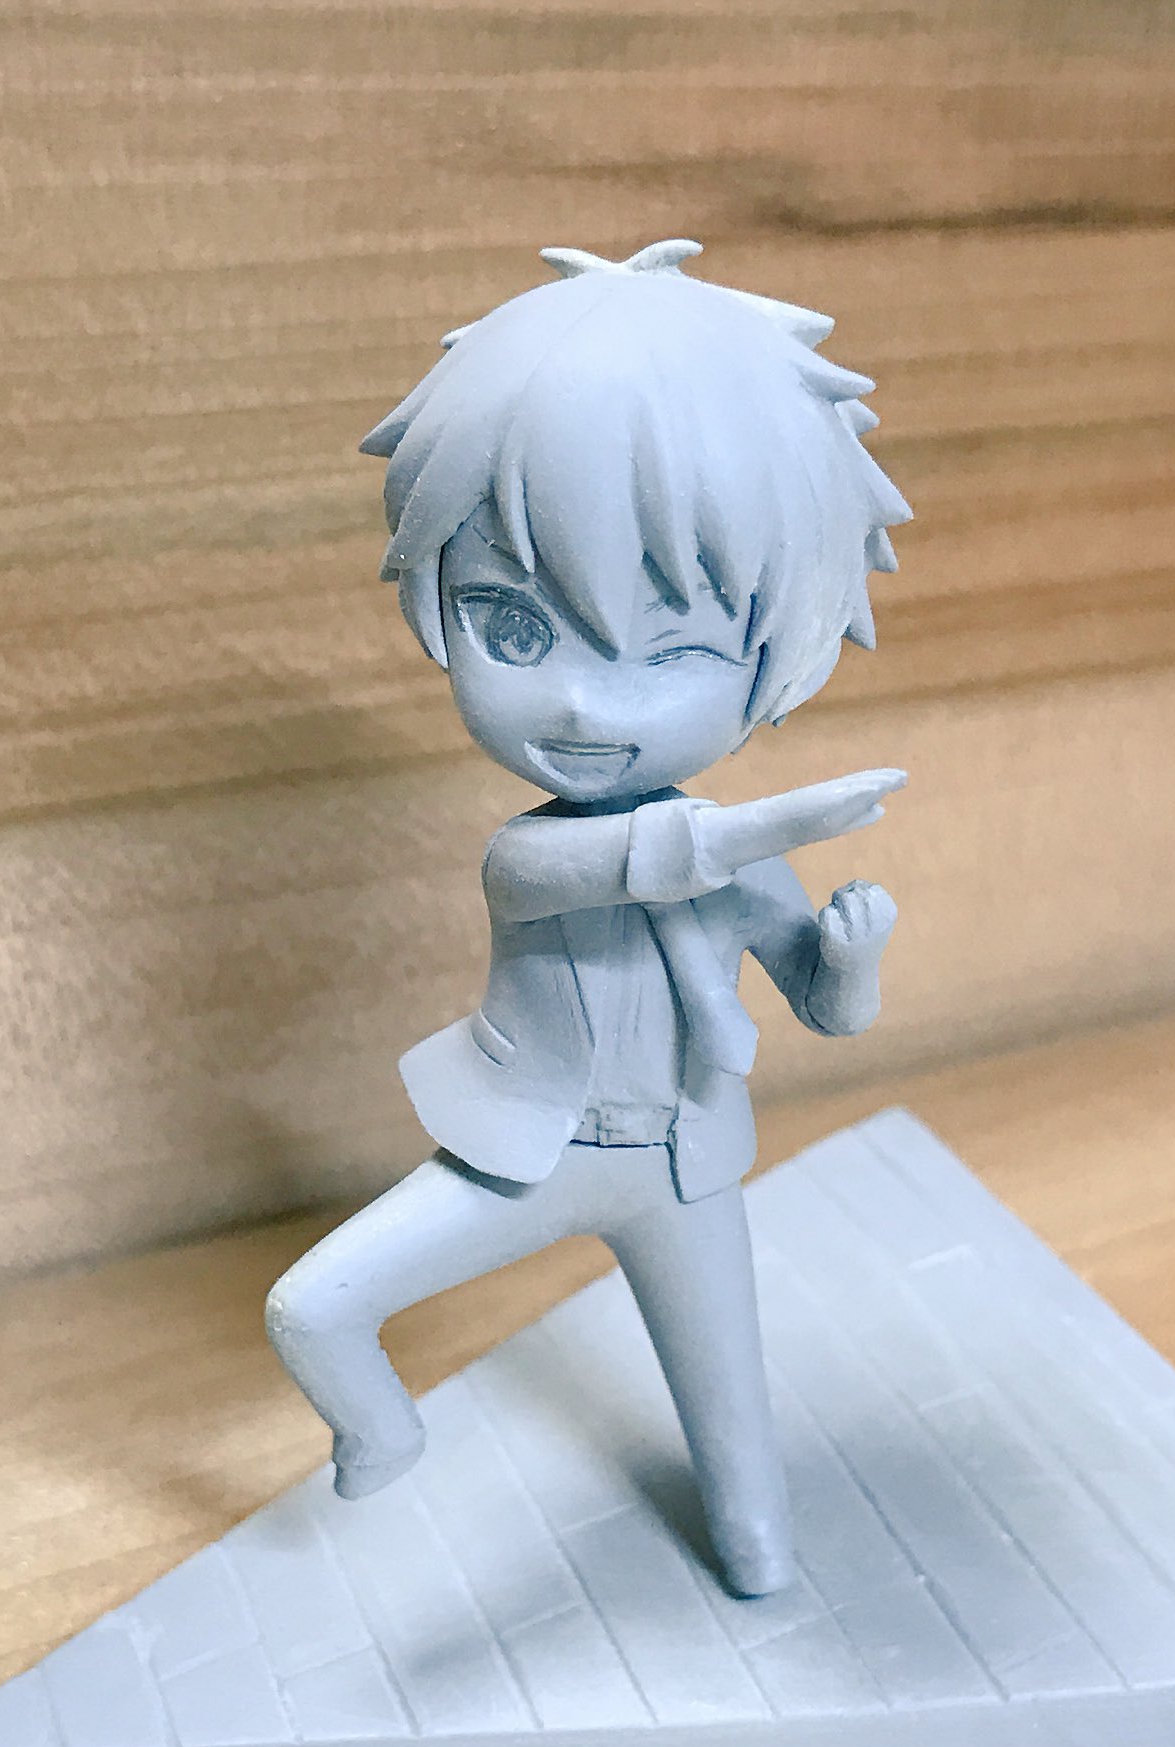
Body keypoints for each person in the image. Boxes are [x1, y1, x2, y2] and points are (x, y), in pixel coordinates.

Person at [264, 238, 910, 1596]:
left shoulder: (735, 858)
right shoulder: (538, 856)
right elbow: (645, 861)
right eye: (512, 628)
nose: (582, 704)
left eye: (676, 650)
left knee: (736, 1433)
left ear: (777, 652)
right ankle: (383, 1433)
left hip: (685, 1167)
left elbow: (823, 1008)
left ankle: (757, 1548)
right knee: (312, 1306)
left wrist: (849, 962)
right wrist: (787, 821)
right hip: (531, 1155)